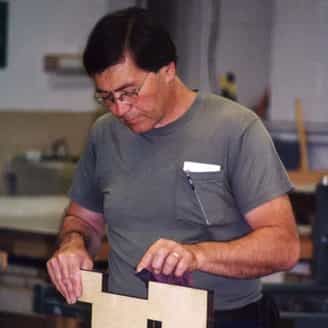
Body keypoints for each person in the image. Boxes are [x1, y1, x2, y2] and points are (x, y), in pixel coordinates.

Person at [47, 7, 300, 328]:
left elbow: (284, 246)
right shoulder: (104, 134)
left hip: (220, 318)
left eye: (129, 92)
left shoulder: (236, 129)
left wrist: (197, 255)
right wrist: (73, 245)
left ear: (168, 70)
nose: (120, 109)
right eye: (107, 97)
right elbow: (83, 221)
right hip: (125, 317)